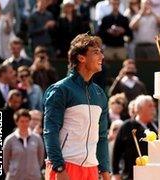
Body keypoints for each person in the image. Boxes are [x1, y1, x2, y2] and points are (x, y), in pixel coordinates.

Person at [43, 34, 110, 180]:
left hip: (92, 169)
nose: (102, 56)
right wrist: (59, 167)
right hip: (65, 166)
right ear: (81, 58)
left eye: (101, 52)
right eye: (96, 52)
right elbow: (50, 131)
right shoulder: (60, 90)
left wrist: (105, 170)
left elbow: (102, 136)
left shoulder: (100, 94)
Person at [3, 109, 45, 180]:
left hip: (33, 177)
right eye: (22, 121)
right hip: (15, 177)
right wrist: (14, 172)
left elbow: (40, 159)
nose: (24, 124)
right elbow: (5, 163)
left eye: (27, 121)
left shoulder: (37, 138)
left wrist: (33, 170)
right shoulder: (9, 140)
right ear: (16, 122)